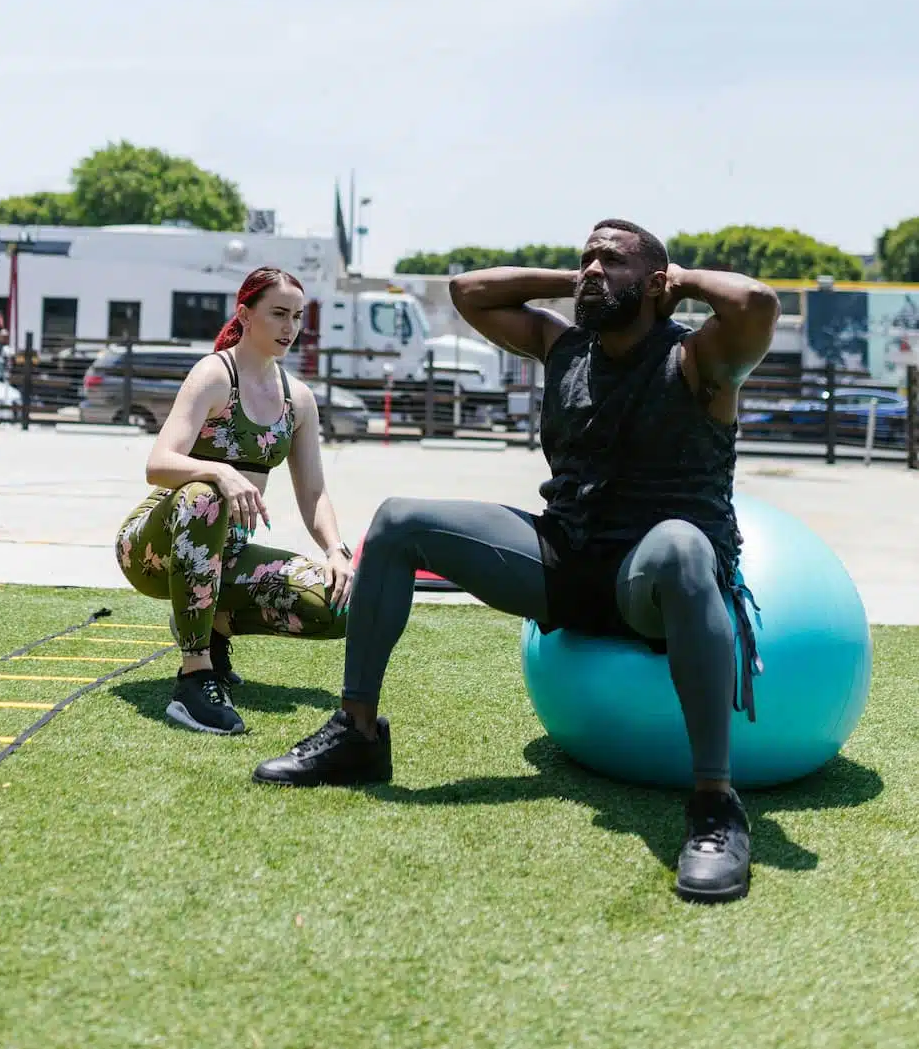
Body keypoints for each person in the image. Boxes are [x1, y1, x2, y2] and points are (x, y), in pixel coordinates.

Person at [252, 221, 780, 904]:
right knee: (396, 521)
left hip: (652, 580)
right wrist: (580, 281)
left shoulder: (699, 358)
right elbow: (467, 292)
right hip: (565, 557)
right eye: (584, 258)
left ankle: (714, 804)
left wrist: (679, 280)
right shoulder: (565, 345)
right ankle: (357, 732)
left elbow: (757, 304)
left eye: (610, 261)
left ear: (655, 283)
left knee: (682, 546)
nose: (590, 268)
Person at [115, 267, 354, 736]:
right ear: (245, 315)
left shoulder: (298, 399)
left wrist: (335, 552)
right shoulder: (214, 374)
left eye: (298, 316)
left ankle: (216, 624)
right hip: (154, 548)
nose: (290, 328)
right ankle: (194, 675)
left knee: (342, 603)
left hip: (228, 551)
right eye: (278, 314)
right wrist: (220, 472)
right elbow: (158, 462)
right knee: (206, 496)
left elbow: (313, 492)